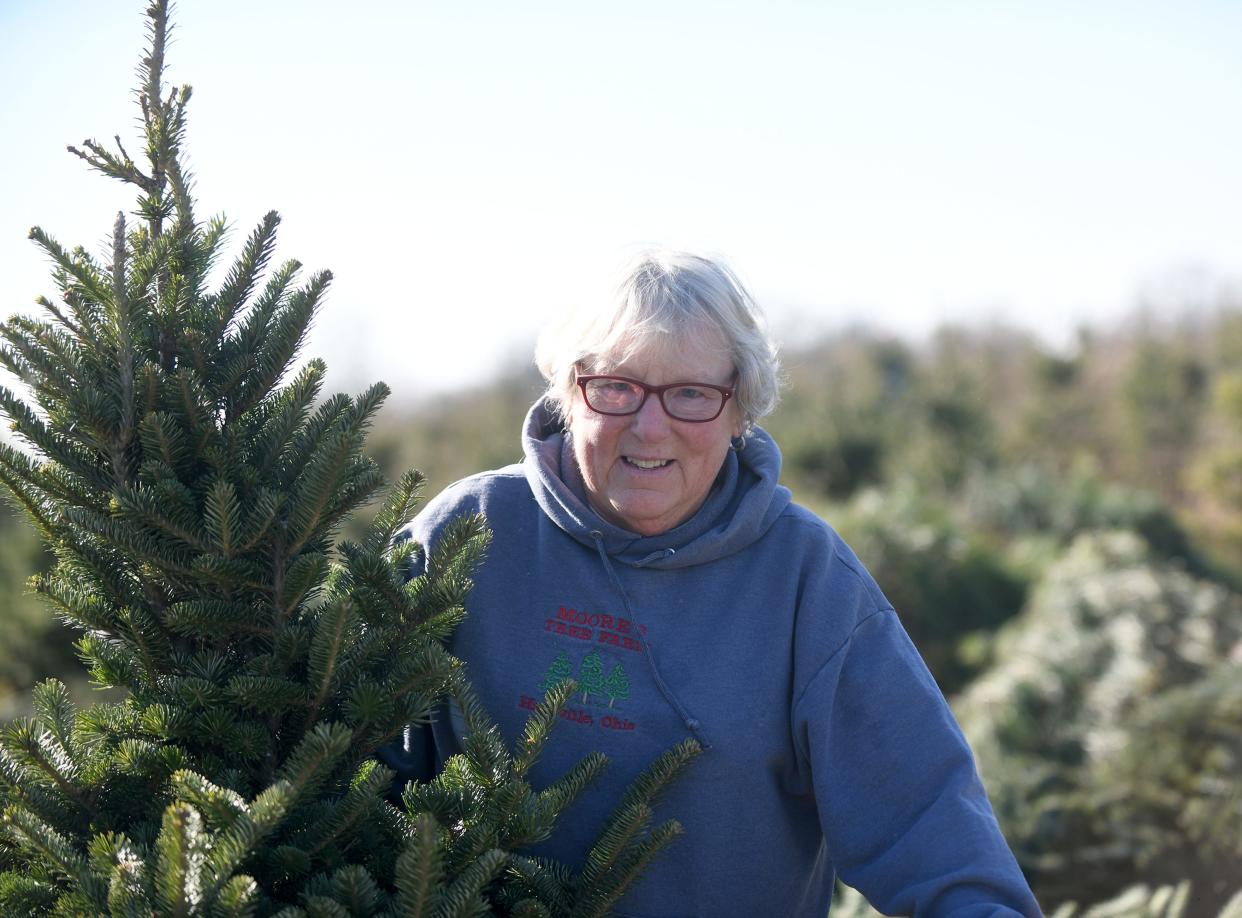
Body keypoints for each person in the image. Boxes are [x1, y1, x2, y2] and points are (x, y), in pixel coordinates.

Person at [380, 250, 1042, 916]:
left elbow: (928, 825)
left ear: (739, 411)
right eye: (617, 386)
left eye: (691, 394)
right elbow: (343, 767)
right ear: (568, 391)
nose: (649, 425)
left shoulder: (807, 581)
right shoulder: (469, 533)